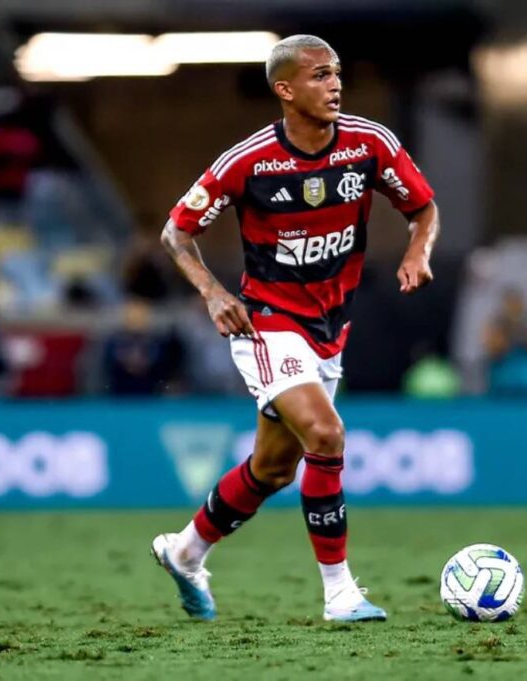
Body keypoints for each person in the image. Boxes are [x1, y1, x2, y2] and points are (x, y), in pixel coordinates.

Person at [150, 35, 439, 622]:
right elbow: (175, 234)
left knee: (274, 468)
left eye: (337, 73)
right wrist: (212, 292)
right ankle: (340, 594)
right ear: (284, 89)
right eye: (318, 75)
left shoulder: (370, 144)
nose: (334, 85)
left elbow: (423, 207)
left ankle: (184, 551)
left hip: (331, 328)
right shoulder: (248, 162)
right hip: (267, 324)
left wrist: (418, 252)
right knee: (327, 436)